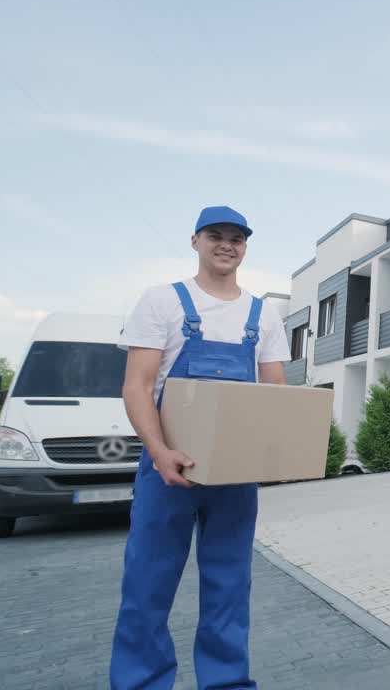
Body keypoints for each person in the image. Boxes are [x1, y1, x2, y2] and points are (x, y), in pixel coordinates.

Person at [110, 206, 291, 689]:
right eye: (216, 235)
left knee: (229, 588)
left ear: (245, 247)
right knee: (147, 586)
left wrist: (271, 456)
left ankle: (228, 683)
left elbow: (274, 398)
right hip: (167, 471)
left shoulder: (262, 314)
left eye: (237, 238)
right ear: (195, 241)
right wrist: (159, 451)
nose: (227, 245)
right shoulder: (161, 302)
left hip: (234, 476)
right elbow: (137, 386)